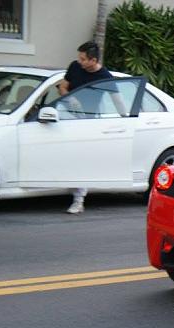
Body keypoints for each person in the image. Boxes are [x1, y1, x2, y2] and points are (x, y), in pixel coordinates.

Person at [58, 41, 113, 214]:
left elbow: (118, 100)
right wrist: (69, 97)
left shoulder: (105, 76)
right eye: (79, 58)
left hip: (87, 121)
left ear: (93, 60)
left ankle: (78, 200)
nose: (79, 61)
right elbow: (62, 86)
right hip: (65, 116)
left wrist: (127, 119)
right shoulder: (74, 67)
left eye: (83, 59)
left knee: (80, 158)